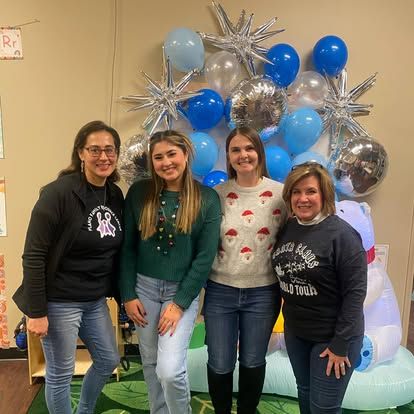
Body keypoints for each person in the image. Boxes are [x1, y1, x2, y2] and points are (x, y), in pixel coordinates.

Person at [13, 120, 124, 413]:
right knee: (61, 372)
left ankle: (84, 410)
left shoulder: (114, 195)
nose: (103, 157)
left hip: (95, 299)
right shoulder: (58, 193)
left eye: (109, 150)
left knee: (108, 360)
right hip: (60, 300)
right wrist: (36, 312)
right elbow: (33, 255)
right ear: (81, 153)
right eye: (95, 150)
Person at [119, 130, 221, 414]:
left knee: (170, 370)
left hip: (181, 293)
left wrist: (179, 304)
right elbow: (127, 248)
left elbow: (204, 257)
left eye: (171, 154)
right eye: (158, 157)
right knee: (150, 363)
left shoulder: (207, 199)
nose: (166, 162)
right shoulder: (139, 193)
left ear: (185, 155)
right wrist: (127, 294)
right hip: (144, 289)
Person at [271, 162, 367, 414]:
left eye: (311, 191)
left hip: (332, 338)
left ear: (324, 194)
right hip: (297, 333)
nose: (303, 198)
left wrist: (340, 344)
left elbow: (355, 295)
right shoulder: (289, 228)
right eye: (296, 192)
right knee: (304, 392)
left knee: (323, 408)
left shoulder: (343, 236)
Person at [204, 126, 286, 414]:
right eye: (236, 150)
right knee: (219, 361)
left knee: (253, 360)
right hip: (220, 291)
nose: (243, 155)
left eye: (249, 148)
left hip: (263, 293)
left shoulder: (280, 194)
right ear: (228, 156)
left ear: (259, 153)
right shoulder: (216, 194)